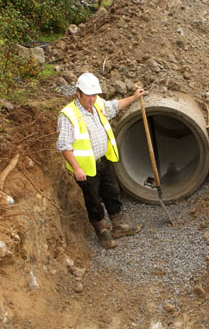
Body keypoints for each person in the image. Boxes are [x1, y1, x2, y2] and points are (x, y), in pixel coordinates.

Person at [56, 72, 145, 249]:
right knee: (93, 200)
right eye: (88, 95)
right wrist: (76, 169)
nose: (92, 99)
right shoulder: (68, 115)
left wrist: (134, 98)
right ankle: (102, 231)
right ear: (78, 93)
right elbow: (64, 146)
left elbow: (114, 106)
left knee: (112, 192)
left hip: (104, 160)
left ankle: (118, 225)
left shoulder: (97, 105)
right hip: (85, 168)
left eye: (94, 94)